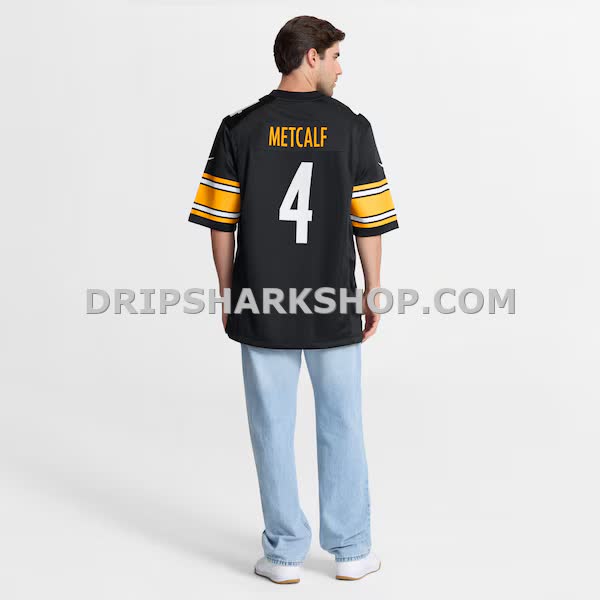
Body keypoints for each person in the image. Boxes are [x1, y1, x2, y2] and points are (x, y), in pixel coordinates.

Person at [187, 15, 398, 584]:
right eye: (335, 56)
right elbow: (369, 221)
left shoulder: (239, 128)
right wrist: (373, 288)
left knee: (271, 427)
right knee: (342, 422)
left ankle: (283, 555)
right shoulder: (351, 127)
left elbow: (220, 223)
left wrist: (228, 293)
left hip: (262, 300)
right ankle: (351, 551)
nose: (340, 69)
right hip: (332, 299)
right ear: (311, 57)